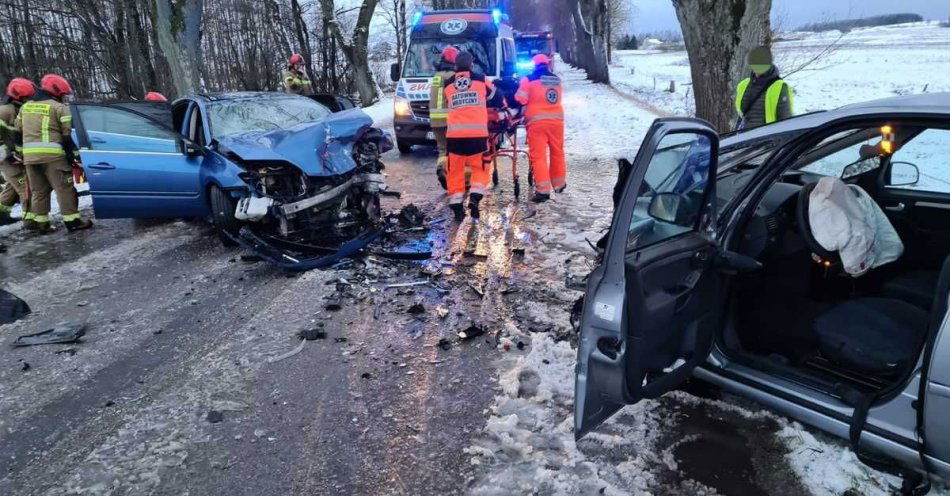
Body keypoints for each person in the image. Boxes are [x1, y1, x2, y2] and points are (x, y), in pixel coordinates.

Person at [15, 74, 92, 233]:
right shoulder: (59, 108)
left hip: (30, 159)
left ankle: (42, 225)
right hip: (53, 158)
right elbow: (67, 135)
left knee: (39, 191)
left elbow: (17, 132)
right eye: (62, 94)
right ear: (55, 92)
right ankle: (73, 222)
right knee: (65, 189)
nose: (63, 97)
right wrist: (73, 155)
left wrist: (20, 154)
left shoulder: (25, 107)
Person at [443, 51, 495, 221]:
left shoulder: (448, 84)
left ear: (455, 66)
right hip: (477, 136)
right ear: (472, 64)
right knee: (479, 168)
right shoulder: (481, 79)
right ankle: (475, 197)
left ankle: (457, 205)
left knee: (455, 171)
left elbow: (447, 103)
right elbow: (496, 96)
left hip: (454, 137)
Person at [515, 54, 565, 203]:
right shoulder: (557, 80)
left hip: (537, 123)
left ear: (534, 65)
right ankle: (559, 184)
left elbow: (521, 98)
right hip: (557, 121)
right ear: (547, 64)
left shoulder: (528, 80)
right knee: (558, 152)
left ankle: (543, 191)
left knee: (539, 156)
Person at [0, 78, 35, 227]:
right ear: (18, 97)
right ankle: (31, 221)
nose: (29, 100)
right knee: (25, 187)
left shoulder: (16, 110)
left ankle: (2, 215)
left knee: (12, 188)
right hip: (7, 159)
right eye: (27, 97)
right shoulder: (4, 111)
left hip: (15, 157)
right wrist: (7, 154)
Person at [735, 46, 793, 130]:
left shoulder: (780, 87)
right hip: (745, 138)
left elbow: (785, 121)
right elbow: (741, 116)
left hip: (767, 139)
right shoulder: (743, 85)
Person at [429, 46, 459, 189]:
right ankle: (453, 178)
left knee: (442, 149)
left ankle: (441, 167)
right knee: (454, 151)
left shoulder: (437, 76)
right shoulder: (452, 77)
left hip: (435, 121)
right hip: (450, 120)